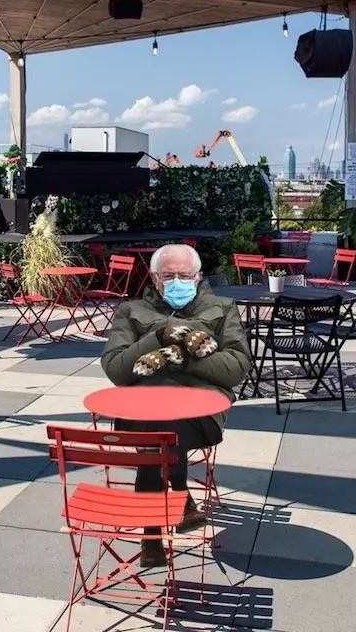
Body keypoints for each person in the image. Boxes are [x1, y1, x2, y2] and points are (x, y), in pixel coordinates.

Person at [101, 243, 252, 567]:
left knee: (161, 434)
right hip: (141, 410)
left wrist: (181, 359)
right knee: (159, 428)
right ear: (155, 279)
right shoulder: (131, 311)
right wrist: (158, 337)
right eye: (169, 276)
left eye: (184, 275)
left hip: (200, 412)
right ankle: (180, 499)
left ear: (198, 277)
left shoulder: (222, 308)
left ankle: (152, 534)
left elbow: (237, 368)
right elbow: (115, 369)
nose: (177, 282)